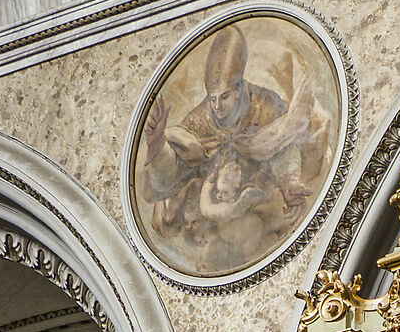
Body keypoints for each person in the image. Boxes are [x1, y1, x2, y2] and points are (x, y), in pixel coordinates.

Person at [139, 22, 332, 274]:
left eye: (225, 96)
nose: (217, 106)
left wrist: (290, 181)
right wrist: (157, 145)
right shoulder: (200, 119)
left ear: (240, 87)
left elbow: (282, 147)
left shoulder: (265, 104)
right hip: (213, 209)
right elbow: (172, 175)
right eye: (212, 98)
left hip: (258, 197)